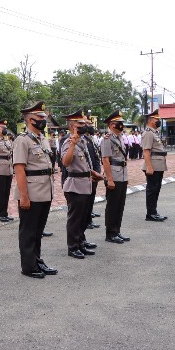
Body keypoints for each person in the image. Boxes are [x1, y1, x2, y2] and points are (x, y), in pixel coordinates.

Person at [13, 102, 57, 278]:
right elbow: (19, 169)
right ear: (30, 120)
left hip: (45, 190)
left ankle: (37, 260)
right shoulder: (22, 140)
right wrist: (24, 196)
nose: (43, 120)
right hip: (31, 192)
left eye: (43, 118)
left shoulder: (42, 138)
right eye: (40, 118)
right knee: (28, 230)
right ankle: (28, 266)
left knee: (38, 230)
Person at [60, 110, 103, 260]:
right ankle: (72, 247)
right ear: (72, 126)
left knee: (83, 217)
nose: (84, 125)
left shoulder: (84, 141)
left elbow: (84, 164)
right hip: (75, 184)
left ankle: (80, 242)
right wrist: (72, 144)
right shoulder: (68, 142)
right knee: (75, 218)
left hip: (86, 183)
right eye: (80, 123)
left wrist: (93, 173)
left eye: (84, 123)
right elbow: (66, 162)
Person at [100, 110, 131, 244]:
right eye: (119, 123)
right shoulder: (107, 139)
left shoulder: (119, 137)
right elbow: (106, 160)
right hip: (114, 175)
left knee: (120, 205)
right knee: (112, 206)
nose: (122, 125)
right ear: (112, 124)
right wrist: (110, 179)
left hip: (122, 175)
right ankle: (110, 233)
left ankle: (117, 231)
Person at [142, 109, 168, 222]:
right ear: (151, 120)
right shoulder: (148, 133)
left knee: (156, 189)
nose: (158, 121)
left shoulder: (153, 132)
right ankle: (150, 214)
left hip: (158, 164)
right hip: (153, 165)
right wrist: (149, 167)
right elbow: (146, 151)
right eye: (157, 119)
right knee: (152, 189)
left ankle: (154, 212)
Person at [83, 118, 101, 232]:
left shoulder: (90, 138)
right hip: (87, 175)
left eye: (90, 123)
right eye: (88, 124)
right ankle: (86, 220)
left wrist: (97, 171)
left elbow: (96, 157)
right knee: (86, 200)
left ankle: (89, 219)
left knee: (91, 198)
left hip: (94, 173)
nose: (90, 125)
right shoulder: (83, 140)